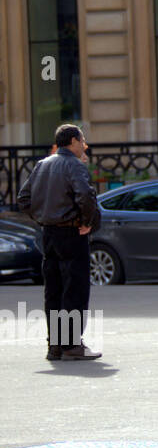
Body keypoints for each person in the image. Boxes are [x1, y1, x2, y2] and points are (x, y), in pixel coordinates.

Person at [16, 124, 102, 361]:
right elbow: (84, 196)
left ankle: (55, 345)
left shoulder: (43, 164)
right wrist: (86, 222)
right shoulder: (74, 165)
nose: (84, 145)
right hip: (72, 233)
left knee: (53, 290)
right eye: (82, 140)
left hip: (49, 233)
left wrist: (42, 217)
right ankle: (71, 344)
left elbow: (23, 198)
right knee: (74, 289)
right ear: (73, 141)